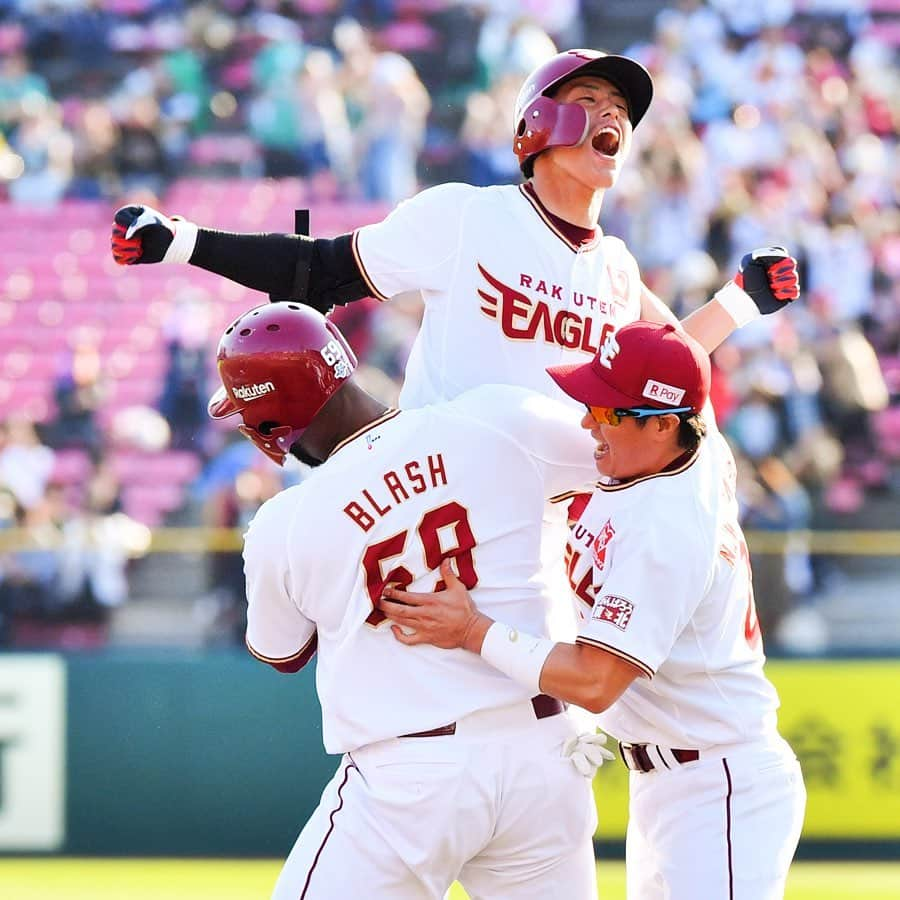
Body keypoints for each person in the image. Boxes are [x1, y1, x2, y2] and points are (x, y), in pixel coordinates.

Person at [110, 45, 799, 641]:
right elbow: (317, 270)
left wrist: (739, 302)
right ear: (540, 124)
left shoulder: (615, 265)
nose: (614, 113)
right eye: (590, 99)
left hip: (541, 539)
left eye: (622, 105)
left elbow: (668, 359)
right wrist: (182, 241)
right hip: (441, 510)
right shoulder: (468, 216)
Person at [378, 321, 807, 900]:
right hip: (671, 780)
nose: (587, 421)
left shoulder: (668, 529)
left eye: (606, 411)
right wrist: (733, 303)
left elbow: (596, 680)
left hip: (719, 782)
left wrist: (472, 630)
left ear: (661, 425)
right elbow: (678, 357)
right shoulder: (673, 456)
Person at [207, 301, 611, 900]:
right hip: (545, 754)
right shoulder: (494, 416)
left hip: (410, 780)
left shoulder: (282, 524)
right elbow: (621, 460)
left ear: (271, 425)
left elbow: (282, 652)